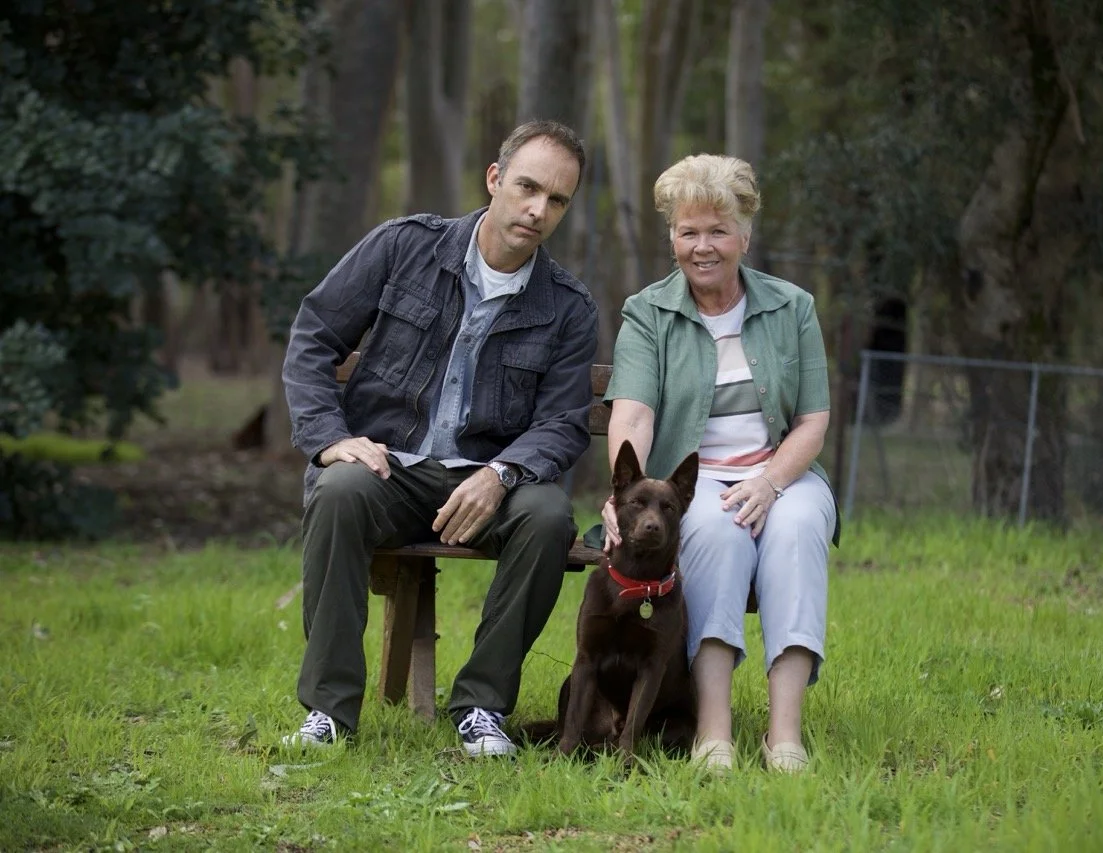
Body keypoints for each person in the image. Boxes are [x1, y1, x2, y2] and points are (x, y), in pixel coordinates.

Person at [280, 120, 599, 756]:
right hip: (386, 471)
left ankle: (481, 707)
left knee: (548, 514)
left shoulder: (567, 306)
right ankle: (329, 713)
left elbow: (562, 423)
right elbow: (313, 336)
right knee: (339, 490)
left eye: (556, 199)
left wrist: (502, 473)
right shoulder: (404, 248)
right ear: (494, 179)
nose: (538, 210)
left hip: (486, 482)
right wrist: (330, 439)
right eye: (527, 187)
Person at [601, 154, 837, 773]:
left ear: (745, 235)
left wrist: (769, 481)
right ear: (672, 236)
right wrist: (620, 494)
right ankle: (713, 731)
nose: (702, 246)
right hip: (688, 488)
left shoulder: (793, 308)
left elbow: (813, 420)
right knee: (712, 530)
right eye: (688, 231)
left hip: (782, 473)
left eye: (718, 231)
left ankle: (784, 735)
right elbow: (633, 415)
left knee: (797, 528)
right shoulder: (647, 313)